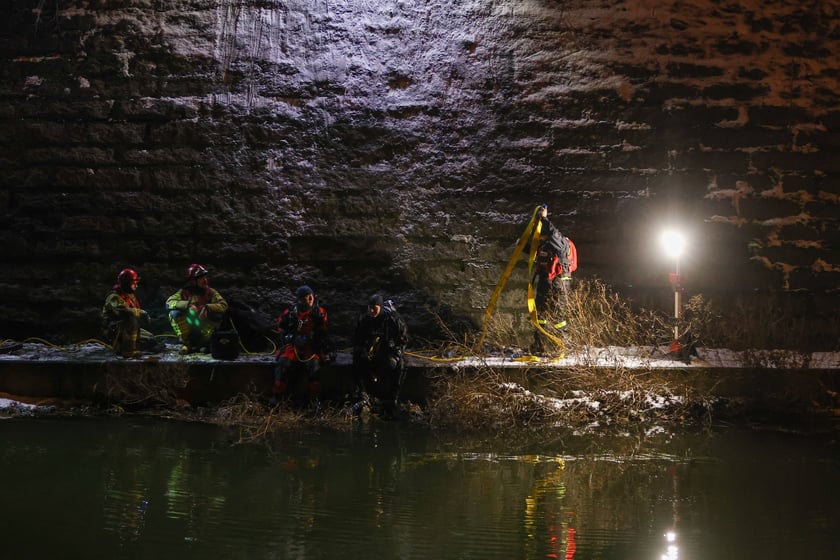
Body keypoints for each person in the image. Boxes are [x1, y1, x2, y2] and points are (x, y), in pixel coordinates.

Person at [270, 285, 333, 407]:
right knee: (283, 363)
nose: (309, 300)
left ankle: (314, 400)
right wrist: (292, 337)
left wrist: (314, 338)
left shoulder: (320, 313)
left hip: (311, 346)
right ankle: (277, 396)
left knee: (314, 366)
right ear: (299, 299)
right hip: (294, 346)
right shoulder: (290, 313)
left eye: (310, 297)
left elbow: (324, 331)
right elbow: (281, 329)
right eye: (305, 298)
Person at [351, 294, 409, 418]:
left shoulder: (392, 320)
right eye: (370, 308)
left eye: (375, 308)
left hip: (387, 353)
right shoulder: (365, 320)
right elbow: (357, 340)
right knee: (358, 360)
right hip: (370, 353)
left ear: (381, 307)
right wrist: (361, 350)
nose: (372, 311)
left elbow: (403, 339)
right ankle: (362, 394)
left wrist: (396, 351)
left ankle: (392, 399)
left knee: (398, 365)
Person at [532, 204, 574, 352]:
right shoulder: (545, 245)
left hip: (559, 283)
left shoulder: (561, 243)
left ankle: (562, 346)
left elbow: (553, 233)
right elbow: (535, 253)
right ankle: (539, 345)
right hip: (546, 281)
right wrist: (521, 246)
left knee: (559, 315)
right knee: (541, 314)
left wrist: (544, 219)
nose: (540, 237)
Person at [165, 264, 229, 354]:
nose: (205, 280)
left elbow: (223, 305)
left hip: (203, 326)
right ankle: (187, 344)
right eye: (201, 278)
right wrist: (187, 305)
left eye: (205, 277)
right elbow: (169, 302)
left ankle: (205, 343)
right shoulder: (184, 292)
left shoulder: (210, 292)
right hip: (189, 326)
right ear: (193, 281)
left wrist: (208, 307)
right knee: (174, 313)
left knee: (217, 316)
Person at [100, 268, 160, 358]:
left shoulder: (129, 296)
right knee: (130, 317)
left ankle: (132, 346)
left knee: (151, 340)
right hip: (114, 331)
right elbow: (124, 311)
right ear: (126, 283)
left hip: (126, 329)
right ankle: (128, 352)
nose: (136, 285)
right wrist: (142, 313)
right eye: (134, 282)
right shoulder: (114, 297)